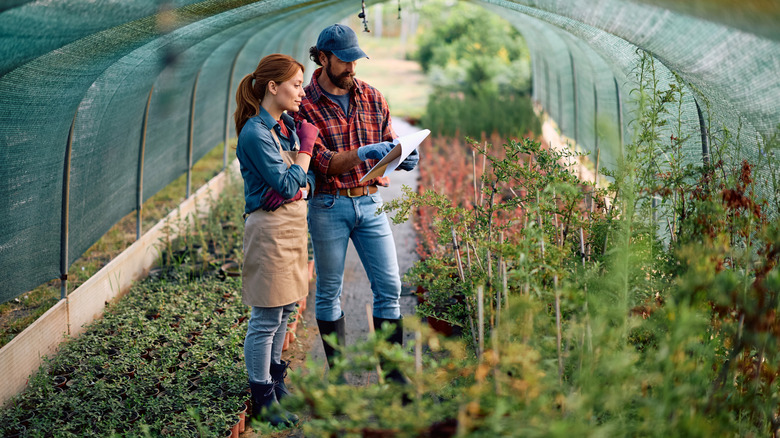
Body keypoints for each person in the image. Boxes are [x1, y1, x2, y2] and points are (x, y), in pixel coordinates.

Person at [294, 24, 419, 384]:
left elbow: (389, 142)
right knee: (329, 292)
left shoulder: (372, 97)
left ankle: (394, 376)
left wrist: (403, 157)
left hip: (371, 203)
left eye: (355, 60)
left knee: (389, 288)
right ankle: (340, 378)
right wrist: (364, 153)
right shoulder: (303, 107)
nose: (351, 68)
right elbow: (322, 163)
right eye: (344, 61)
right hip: (329, 207)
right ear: (323, 58)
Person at [234, 53, 319, 427]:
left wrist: (298, 187)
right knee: (266, 315)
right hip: (269, 232)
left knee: (286, 308)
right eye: (297, 84)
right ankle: (262, 395)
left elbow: (306, 183)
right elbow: (288, 180)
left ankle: (275, 380)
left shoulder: (284, 127)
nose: (302, 92)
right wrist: (305, 153)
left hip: (291, 228)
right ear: (273, 87)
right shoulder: (255, 132)